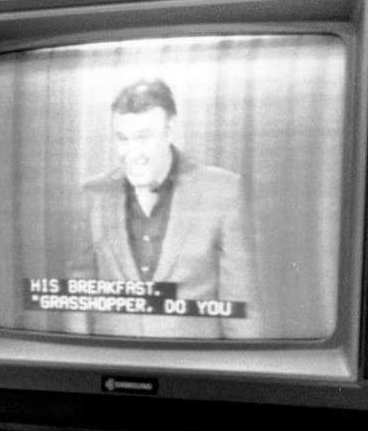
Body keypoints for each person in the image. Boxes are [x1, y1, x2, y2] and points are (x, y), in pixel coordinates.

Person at [69, 77, 261, 338]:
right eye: (122, 139)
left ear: (170, 130)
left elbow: (241, 301)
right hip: (112, 363)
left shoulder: (222, 191)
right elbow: (78, 293)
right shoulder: (93, 194)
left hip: (194, 367)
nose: (133, 153)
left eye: (144, 137)